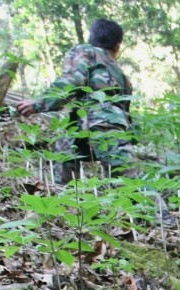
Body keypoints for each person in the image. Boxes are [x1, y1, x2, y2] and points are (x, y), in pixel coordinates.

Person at [16, 19, 136, 184]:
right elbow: (125, 111)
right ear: (117, 46)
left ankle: (158, 210)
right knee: (65, 149)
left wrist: (39, 103)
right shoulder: (121, 75)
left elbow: (72, 80)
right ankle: (68, 201)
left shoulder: (86, 51)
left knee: (128, 181)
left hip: (96, 122)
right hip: (95, 124)